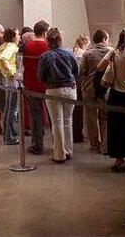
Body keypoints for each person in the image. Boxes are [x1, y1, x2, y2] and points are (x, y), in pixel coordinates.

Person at [97, 28, 125, 172]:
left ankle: (119, 159)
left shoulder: (114, 52)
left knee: (116, 128)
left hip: (116, 94)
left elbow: (100, 66)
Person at [38, 28, 79, 163]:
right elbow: (76, 71)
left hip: (53, 90)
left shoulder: (45, 56)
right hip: (70, 88)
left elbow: (41, 76)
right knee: (68, 121)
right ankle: (69, 150)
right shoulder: (69, 53)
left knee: (57, 123)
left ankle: (59, 154)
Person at [79, 29, 111, 153]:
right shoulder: (110, 52)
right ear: (104, 39)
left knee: (91, 118)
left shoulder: (87, 53)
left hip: (88, 88)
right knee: (105, 117)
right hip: (105, 89)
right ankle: (105, 145)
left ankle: (94, 145)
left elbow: (81, 71)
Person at [0, 28, 20, 145]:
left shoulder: (3, 46)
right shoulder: (11, 46)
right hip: (12, 80)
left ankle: (9, 134)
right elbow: (3, 59)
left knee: (9, 108)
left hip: (7, 80)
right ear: (13, 37)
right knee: (12, 109)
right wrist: (12, 72)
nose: (19, 37)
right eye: (17, 35)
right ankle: (9, 136)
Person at [24, 20, 49, 155]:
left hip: (32, 85)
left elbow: (25, 65)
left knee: (35, 116)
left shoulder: (28, 46)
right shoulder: (48, 46)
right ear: (45, 32)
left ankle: (37, 144)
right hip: (47, 85)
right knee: (54, 118)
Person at [72, 34, 90, 143]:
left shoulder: (74, 51)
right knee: (79, 111)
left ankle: (76, 133)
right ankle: (78, 134)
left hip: (75, 82)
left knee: (76, 111)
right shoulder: (82, 54)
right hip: (80, 83)